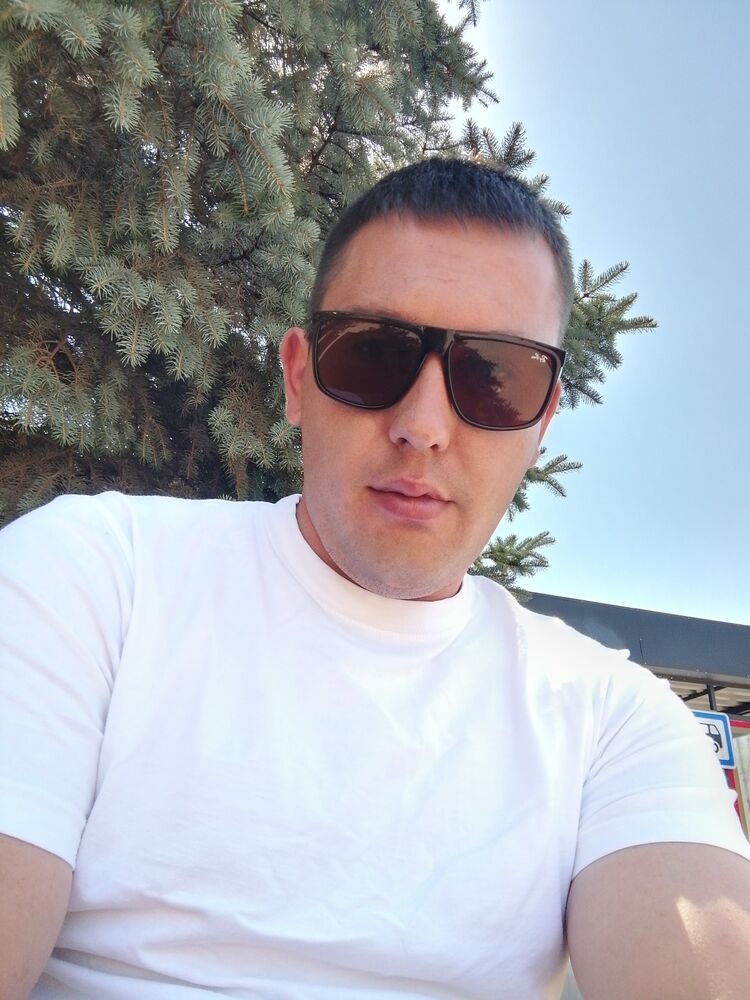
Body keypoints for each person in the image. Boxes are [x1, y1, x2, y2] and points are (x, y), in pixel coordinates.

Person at [1, 159, 749, 1000]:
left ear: (541, 421)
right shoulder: (94, 576)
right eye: (372, 355)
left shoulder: (614, 719)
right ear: (297, 378)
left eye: (495, 377)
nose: (423, 427)